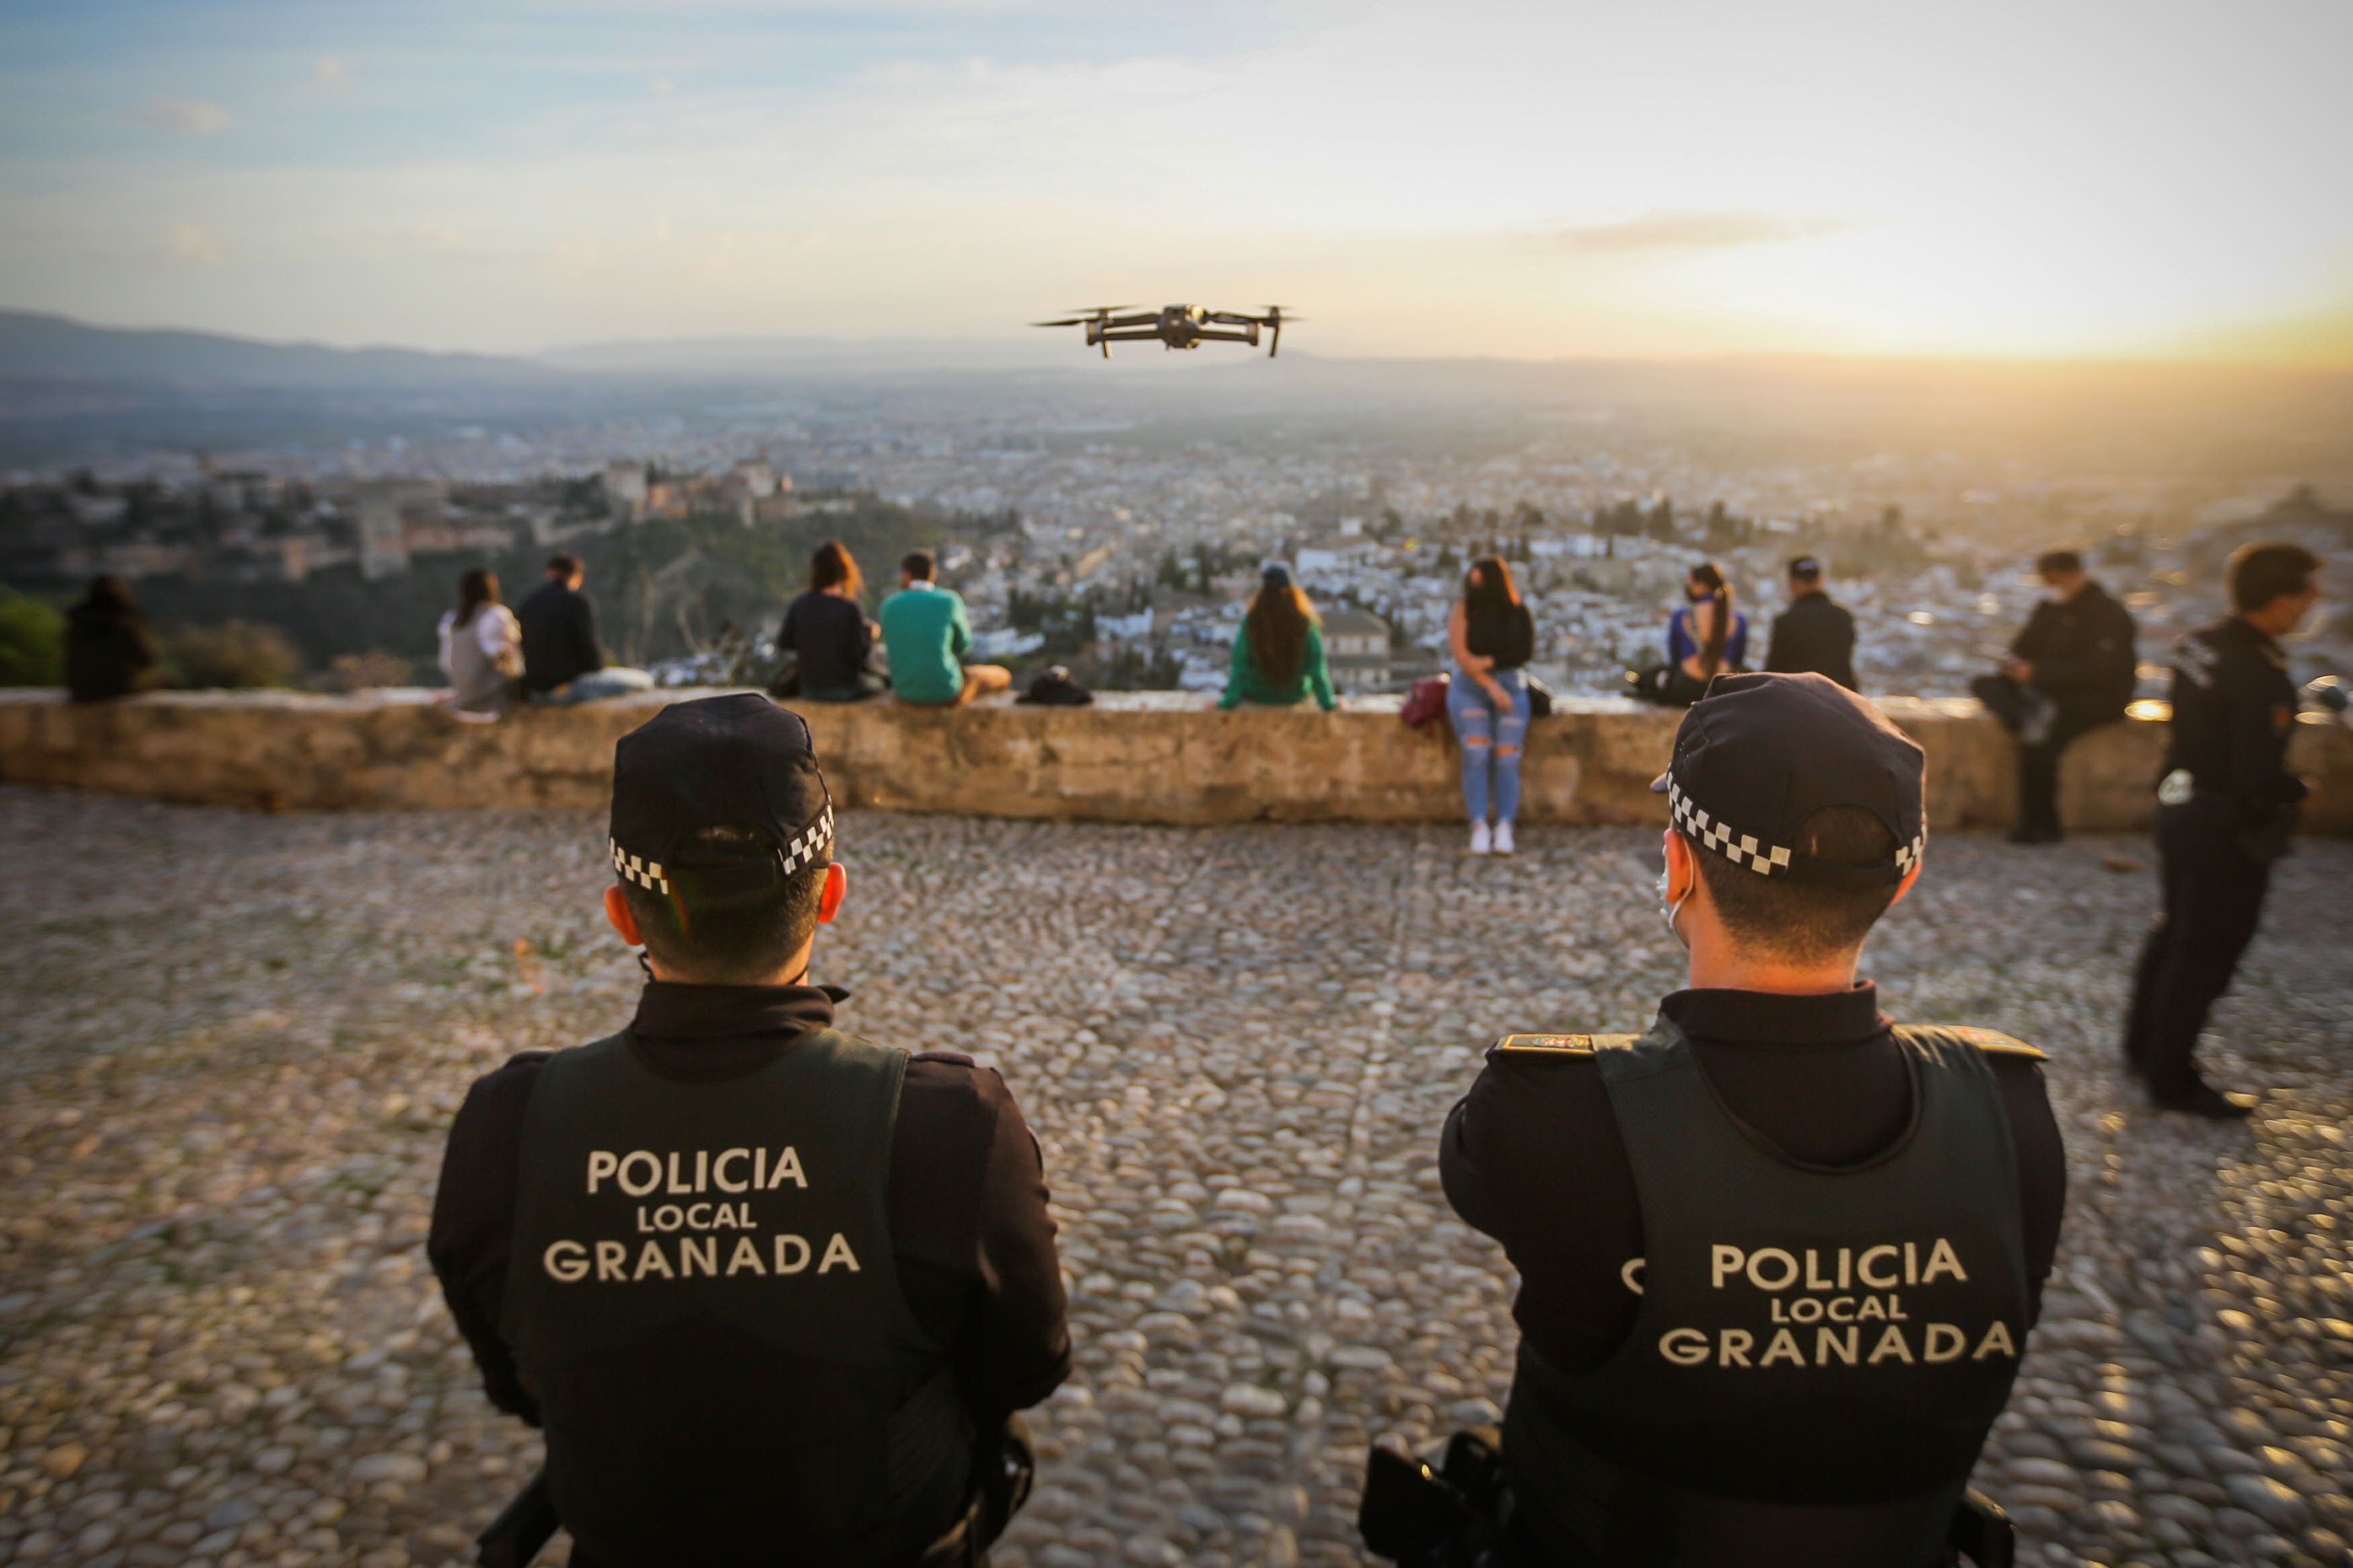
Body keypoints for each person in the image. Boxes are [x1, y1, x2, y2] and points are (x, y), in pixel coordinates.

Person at [1437, 673, 2065, 1567]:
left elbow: (1473, 1180)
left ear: (1679, 864)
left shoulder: (1552, 1115)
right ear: (1905, 879)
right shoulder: (2012, 1123)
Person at [428, 694, 1069, 1565]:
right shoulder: (948, 1123)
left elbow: (523, 1382)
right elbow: (1026, 1366)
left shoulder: (509, 1129)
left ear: (622, 914)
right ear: (830, 893)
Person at [2121, 543, 2323, 1118]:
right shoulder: (2260, 674)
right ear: (2282, 602)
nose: (2317, 604)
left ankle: (2142, 1048)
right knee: (2207, 948)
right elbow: (2256, 773)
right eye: (2310, 593)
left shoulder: (2199, 644)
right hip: (2223, 825)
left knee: (2174, 933)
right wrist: (2299, 792)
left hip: (2179, 804)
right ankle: (2171, 1076)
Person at [1970, 549, 2137, 844]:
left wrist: (2038, 674)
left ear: (2073, 575)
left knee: (2040, 745)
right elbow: (2024, 646)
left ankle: (2043, 825)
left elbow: (2099, 671)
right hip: (2045, 692)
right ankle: (2026, 717)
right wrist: (2017, 666)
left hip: (2089, 700)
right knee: (1986, 685)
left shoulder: (2106, 614)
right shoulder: (2049, 609)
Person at [1447, 555, 1536, 856]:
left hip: (1509, 685)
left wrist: (1489, 664)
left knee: (1507, 757)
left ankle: (1505, 825)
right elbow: (1462, 657)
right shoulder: (1464, 609)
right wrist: (1491, 683)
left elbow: (1524, 651)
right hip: (1472, 687)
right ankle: (1479, 825)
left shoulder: (1517, 611)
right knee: (1476, 752)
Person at [518, 552, 654, 705]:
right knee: (645, 681)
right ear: (577, 577)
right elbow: (592, 660)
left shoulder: (528, 603)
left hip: (536, 690)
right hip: (570, 688)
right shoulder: (578, 602)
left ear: (549, 574)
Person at [878, 550, 1010, 706]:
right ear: (933, 574)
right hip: (946, 691)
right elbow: (964, 647)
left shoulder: (889, 605)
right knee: (1002, 675)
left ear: (906, 575)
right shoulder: (949, 601)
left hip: (904, 691)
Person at [1216, 562, 1337, 712]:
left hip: (1259, 694)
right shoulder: (1304, 622)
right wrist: (1328, 704)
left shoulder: (1253, 621)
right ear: (1292, 590)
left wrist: (1229, 702)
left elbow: (1241, 665)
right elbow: (1316, 665)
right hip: (1295, 695)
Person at [778, 541, 887, 702]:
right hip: (844, 689)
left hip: (810, 688)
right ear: (844, 571)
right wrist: (870, 634)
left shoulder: (800, 604)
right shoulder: (849, 608)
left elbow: (785, 642)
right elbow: (859, 656)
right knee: (881, 684)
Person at [1631, 562, 1747, 707]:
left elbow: (1675, 658)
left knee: (1651, 677)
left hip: (1686, 688)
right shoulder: (1739, 620)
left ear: (1702, 585)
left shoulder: (1682, 616)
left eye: (1690, 583)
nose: (1688, 587)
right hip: (1722, 690)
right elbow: (1738, 659)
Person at [437, 567, 523, 717]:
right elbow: (511, 663)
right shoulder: (495, 615)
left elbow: (445, 662)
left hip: (463, 692)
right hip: (490, 695)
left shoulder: (452, 619)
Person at [1764, 554, 1858, 692]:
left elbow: (1775, 670)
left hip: (1800, 699)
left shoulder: (1786, 622)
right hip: (1841, 698)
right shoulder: (1843, 617)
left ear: (1792, 584)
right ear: (1820, 581)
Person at [63, 574, 159, 702]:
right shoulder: (126, 622)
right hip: (117, 687)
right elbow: (147, 657)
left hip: (82, 690)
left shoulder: (79, 621)